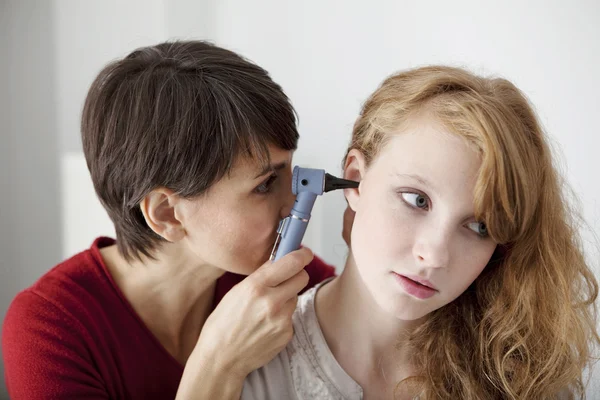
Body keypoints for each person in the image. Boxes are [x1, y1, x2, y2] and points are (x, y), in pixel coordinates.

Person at [1, 40, 346, 399]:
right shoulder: (49, 332)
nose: (294, 202)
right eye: (265, 185)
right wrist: (218, 364)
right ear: (167, 215)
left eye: (290, 173)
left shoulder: (280, 277)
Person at [242, 65, 600, 399]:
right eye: (417, 200)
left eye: (479, 227)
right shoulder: (253, 369)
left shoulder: (524, 379)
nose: (435, 255)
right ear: (355, 179)